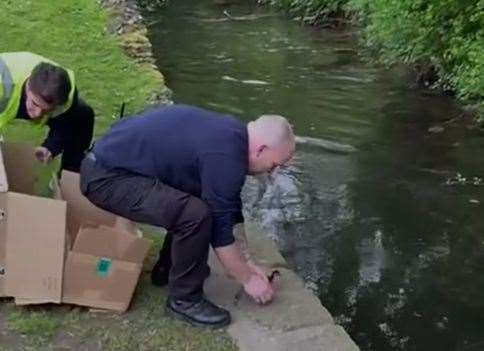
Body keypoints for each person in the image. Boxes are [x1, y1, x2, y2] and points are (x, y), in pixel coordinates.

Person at [79, 104, 295, 328]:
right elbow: (221, 234)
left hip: (116, 167)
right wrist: (248, 280)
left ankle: (169, 268)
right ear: (260, 149)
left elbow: (230, 208)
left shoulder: (231, 136)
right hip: (107, 178)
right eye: (273, 166)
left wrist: (248, 263)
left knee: (197, 203)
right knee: (196, 215)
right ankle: (184, 300)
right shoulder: (226, 156)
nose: (271, 173)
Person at [0, 51, 94, 172]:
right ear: (28, 86)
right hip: (7, 92)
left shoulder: (66, 97)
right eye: (35, 103)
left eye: (46, 110)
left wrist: (51, 147)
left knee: (83, 116)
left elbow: (65, 125)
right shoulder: (3, 82)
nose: (37, 114)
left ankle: (70, 177)